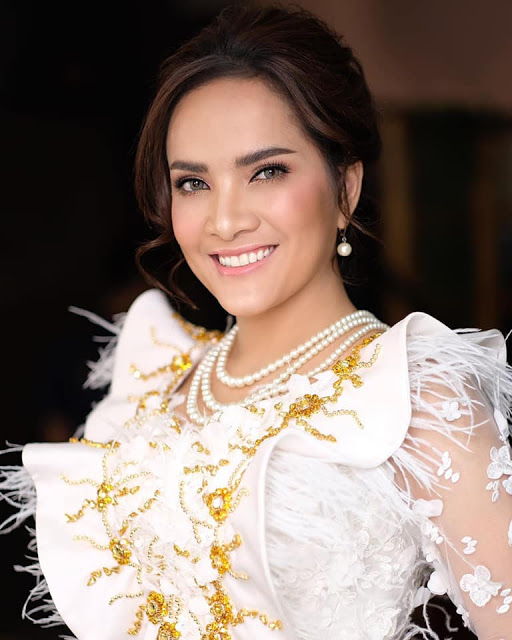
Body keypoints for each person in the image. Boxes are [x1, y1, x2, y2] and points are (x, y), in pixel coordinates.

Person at [2, 4, 511, 640]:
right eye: (193, 183)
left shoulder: (415, 400)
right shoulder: (154, 375)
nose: (225, 221)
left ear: (346, 189)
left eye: (266, 172)